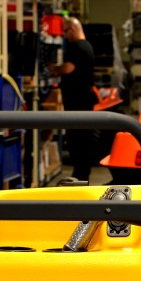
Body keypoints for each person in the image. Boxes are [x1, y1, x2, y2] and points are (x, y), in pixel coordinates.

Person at [49, 17, 98, 181]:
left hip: (78, 102)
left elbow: (68, 68)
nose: (64, 35)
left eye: (65, 31)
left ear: (73, 29)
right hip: (83, 100)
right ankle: (82, 174)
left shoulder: (77, 47)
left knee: (78, 140)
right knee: (82, 139)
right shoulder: (88, 46)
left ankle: (80, 174)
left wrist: (55, 69)